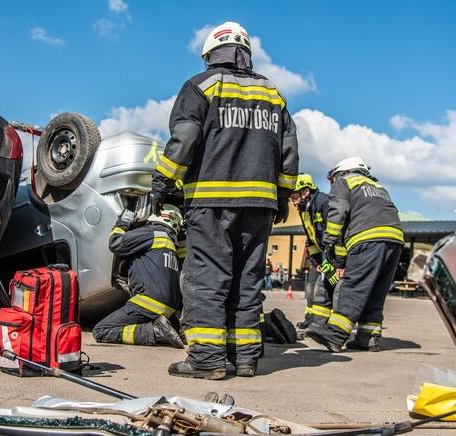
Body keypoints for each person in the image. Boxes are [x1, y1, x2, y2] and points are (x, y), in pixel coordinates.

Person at [149, 21, 299, 379]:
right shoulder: (273, 93)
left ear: (210, 54)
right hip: (260, 204)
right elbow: (289, 151)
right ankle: (245, 357)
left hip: (212, 200)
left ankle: (206, 360)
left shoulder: (201, 86)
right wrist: (281, 195)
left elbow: (184, 138)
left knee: (207, 278)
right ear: (245, 53)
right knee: (247, 280)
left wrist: (163, 181)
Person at [305, 157, 403, 353]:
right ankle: (368, 338)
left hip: (367, 238)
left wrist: (329, 238)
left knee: (353, 287)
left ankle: (335, 336)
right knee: (375, 291)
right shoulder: (378, 187)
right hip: (395, 239)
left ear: (342, 172)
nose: (332, 182)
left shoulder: (345, 181)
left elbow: (338, 210)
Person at [92, 205, 185, 348]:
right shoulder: (172, 244)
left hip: (148, 303)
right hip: (171, 308)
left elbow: (115, 242)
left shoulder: (151, 233)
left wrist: (123, 222)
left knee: (101, 330)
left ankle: (155, 332)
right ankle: (166, 328)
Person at [290, 173, 344, 329]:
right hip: (322, 256)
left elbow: (336, 234)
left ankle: (330, 323)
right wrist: (317, 262)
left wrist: (337, 262)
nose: (292, 198)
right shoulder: (304, 210)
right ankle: (311, 319)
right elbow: (311, 238)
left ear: (305, 191)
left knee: (329, 288)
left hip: (336, 254)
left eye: (294, 193)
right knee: (311, 286)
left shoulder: (323, 202)